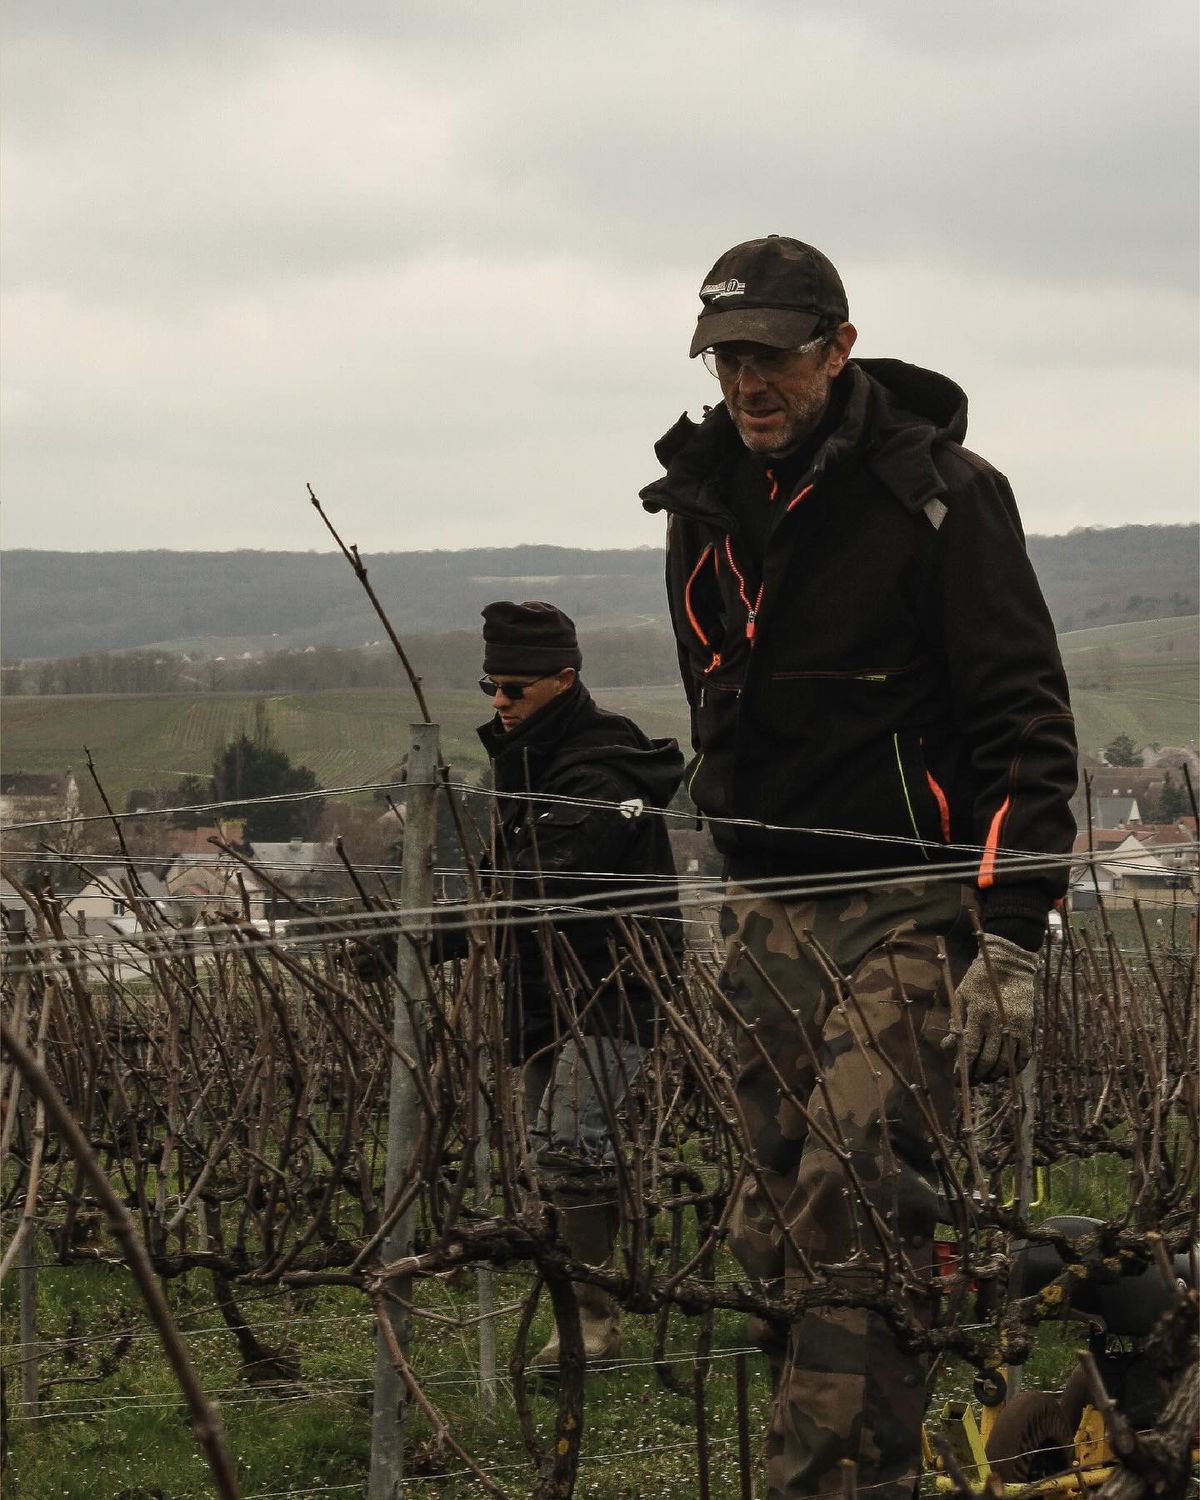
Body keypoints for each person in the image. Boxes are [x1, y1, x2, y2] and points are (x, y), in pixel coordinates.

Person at [640, 236, 1077, 1498]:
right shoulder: (706, 503)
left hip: (910, 902)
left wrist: (1010, 931)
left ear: (837, 348)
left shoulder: (942, 496)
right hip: (766, 907)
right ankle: (842, 1446)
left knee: (861, 1197)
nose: (746, 382)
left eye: (771, 354)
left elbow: (1024, 720)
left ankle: (833, 1483)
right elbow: (716, 692)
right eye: (726, 358)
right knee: (774, 1225)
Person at [469, 600, 684, 1369]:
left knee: (572, 1146)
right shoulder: (528, 757)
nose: (499, 701)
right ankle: (575, 1304)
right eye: (491, 686)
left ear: (564, 680)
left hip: (614, 988)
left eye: (515, 689)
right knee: (549, 1154)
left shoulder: (602, 770)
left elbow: (538, 882)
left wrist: (426, 939)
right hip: (540, 986)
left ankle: (594, 1326)